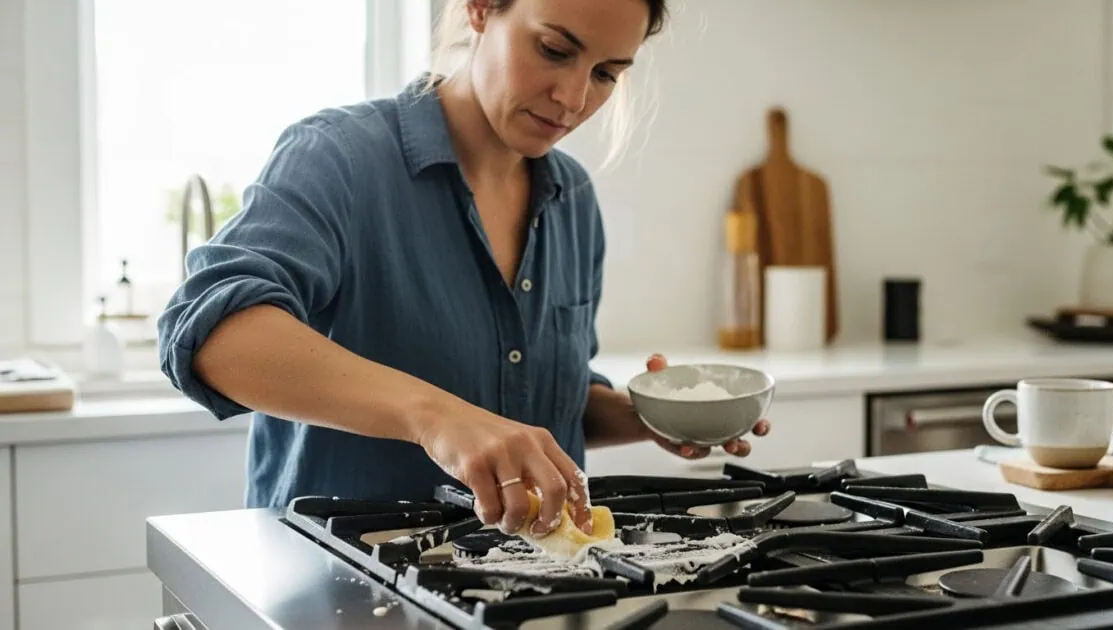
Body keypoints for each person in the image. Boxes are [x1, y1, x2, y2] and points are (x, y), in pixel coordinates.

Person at [156, 0, 770, 540]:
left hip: (524, 592)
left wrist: (652, 415)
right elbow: (211, 334)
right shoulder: (339, 156)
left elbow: (540, 401)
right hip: (331, 589)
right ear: (480, 8)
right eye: (555, 50)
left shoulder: (573, 199)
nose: (576, 99)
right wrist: (438, 418)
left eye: (606, 74)